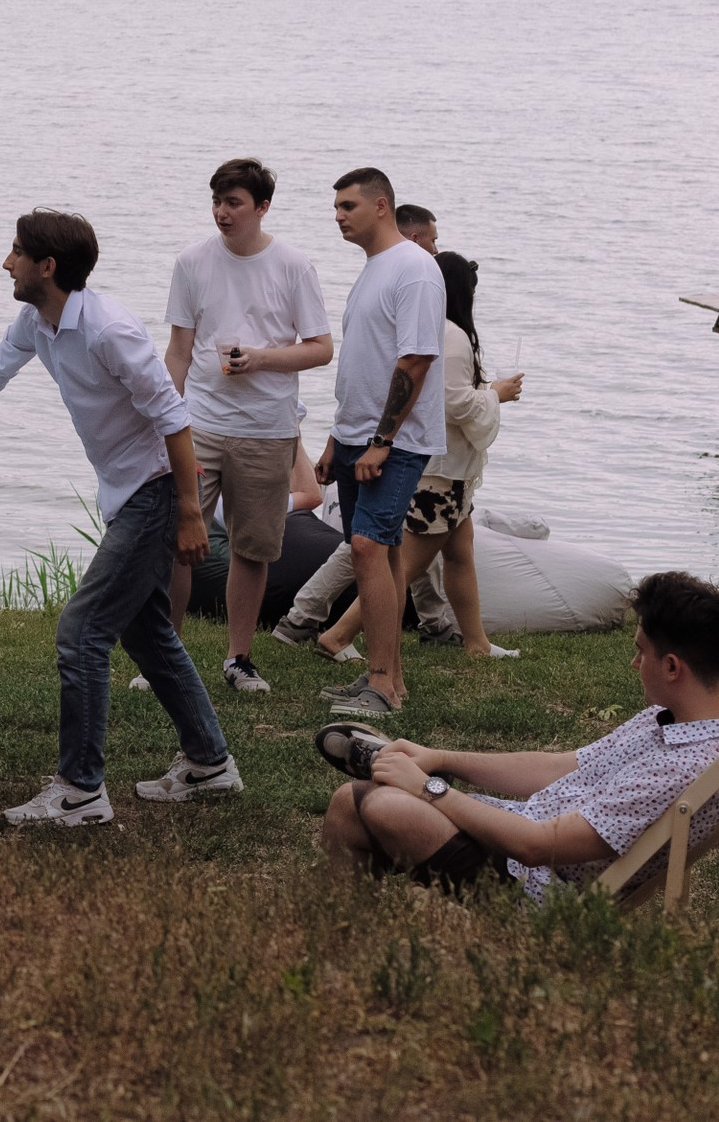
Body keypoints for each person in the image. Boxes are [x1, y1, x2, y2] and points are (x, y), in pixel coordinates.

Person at [0, 209, 241, 826]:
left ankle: (81, 792)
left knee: (81, 631)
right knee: (145, 630)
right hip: (128, 492)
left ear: (46, 266)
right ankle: (210, 762)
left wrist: (190, 513)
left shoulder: (109, 330)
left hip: (156, 489)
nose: (5, 262)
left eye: (15, 252)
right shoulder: (37, 321)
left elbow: (174, 419)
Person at [321, 572, 719, 898]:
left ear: (673, 667)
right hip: (520, 828)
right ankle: (349, 926)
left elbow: (536, 847)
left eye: (641, 650)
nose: (635, 664)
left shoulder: (682, 768)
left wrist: (430, 790)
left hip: (532, 880)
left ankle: (345, 928)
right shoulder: (676, 720)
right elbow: (558, 767)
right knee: (360, 798)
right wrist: (439, 758)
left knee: (373, 802)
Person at [162, 158, 332, 695]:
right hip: (201, 424)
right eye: (216, 201)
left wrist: (258, 359)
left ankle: (238, 658)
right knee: (178, 538)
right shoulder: (192, 262)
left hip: (267, 428)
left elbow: (322, 349)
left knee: (252, 548)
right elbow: (179, 350)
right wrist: (165, 416)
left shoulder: (293, 265)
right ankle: (164, 655)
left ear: (262, 207)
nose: (221, 213)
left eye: (233, 203)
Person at [315, 251, 526, 663]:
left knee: (460, 555)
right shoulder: (452, 335)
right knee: (405, 565)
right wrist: (494, 395)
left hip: (450, 474)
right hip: (440, 475)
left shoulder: (437, 332)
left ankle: (476, 641)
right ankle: (338, 634)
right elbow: (454, 402)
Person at [315, 168, 446, 719]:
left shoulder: (415, 270)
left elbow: (414, 360)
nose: (338, 215)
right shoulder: (373, 269)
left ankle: (378, 684)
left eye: (348, 206)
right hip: (355, 436)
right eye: (336, 207)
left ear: (382, 206)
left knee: (368, 547)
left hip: (393, 441)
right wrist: (334, 440)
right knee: (382, 549)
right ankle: (391, 681)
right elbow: (362, 363)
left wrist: (381, 440)